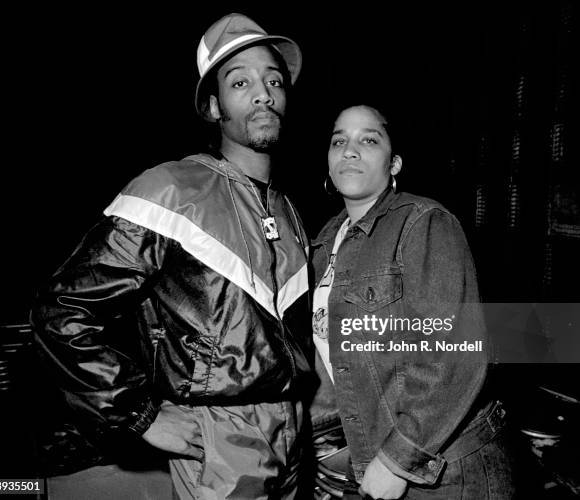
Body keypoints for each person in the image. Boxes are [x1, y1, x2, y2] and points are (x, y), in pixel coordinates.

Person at [31, 13, 312, 500]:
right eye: (239, 81)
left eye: (273, 80)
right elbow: (61, 312)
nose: (263, 93)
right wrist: (138, 415)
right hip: (218, 442)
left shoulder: (287, 209)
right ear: (211, 106)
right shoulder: (170, 189)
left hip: (295, 434)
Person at [309, 105, 515, 499]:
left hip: (447, 469)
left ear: (395, 163)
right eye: (339, 141)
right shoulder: (323, 242)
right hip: (371, 459)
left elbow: (456, 351)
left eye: (368, 140)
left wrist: (399, 458)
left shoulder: (424, 221)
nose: (349, 150)